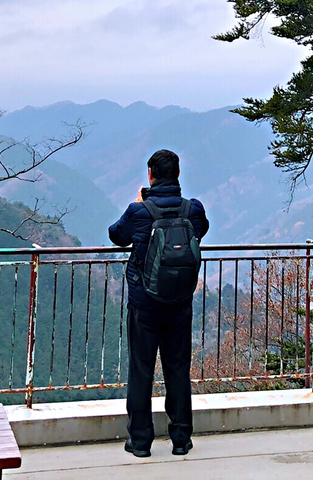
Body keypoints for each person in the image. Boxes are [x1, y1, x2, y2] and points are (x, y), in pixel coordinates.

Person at [108, 148, 209, 457]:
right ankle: (181, 440)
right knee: (178, 369)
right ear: (177, 175)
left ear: (150, 174)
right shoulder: (193, 209)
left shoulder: (139, 211)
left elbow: (116, 236)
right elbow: (201, 230)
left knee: (141, 369)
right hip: (180, 302)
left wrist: (140, 202)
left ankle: (140, 442)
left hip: (144, 305)